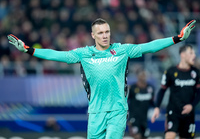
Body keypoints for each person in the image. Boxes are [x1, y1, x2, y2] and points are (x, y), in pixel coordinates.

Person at [7, 18, 196, 139]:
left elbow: (149, 46)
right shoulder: (84, 54)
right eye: (101, 33)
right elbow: (57, 55)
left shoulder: (122, 50)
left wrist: (177, 38)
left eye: (107, 32)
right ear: (93, 35)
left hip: (117, 110)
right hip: (96, 112)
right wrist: (29, 50)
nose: (105, 36)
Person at [151, 44, 200, 139]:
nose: (194, 55)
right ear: (183, 54)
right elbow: (162, 90)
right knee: (170, 136)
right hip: (173, 112)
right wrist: (157, 107)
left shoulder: (196, 73)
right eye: (191, 53)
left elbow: (199, 93)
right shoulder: (171, 71)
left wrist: (192, 105)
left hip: (189, 113)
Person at [128, 69, 155, 139]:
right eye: (141, 75)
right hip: (134, 117)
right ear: (137, 76)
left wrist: (156, 109)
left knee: (144, 136)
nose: (143, 77)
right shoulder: (132, 88)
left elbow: (153, 102)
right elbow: (126, 101)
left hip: (145, 118)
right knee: (137, 136)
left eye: (144, 75)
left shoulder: (150, 88)